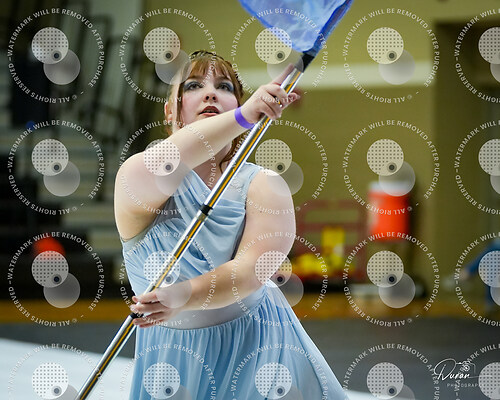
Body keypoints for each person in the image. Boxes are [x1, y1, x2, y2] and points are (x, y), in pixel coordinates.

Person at [115, 50, 347, 399]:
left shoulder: (264, 185)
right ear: (170, 111)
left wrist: (184, 294)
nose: (210, 93)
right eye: (194, 85)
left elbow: (251, 270)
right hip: (171, 362)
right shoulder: (138, 174)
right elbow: (167, 161)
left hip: (260, 353)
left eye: (224, 87)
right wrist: (242, 116)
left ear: (239, 103)